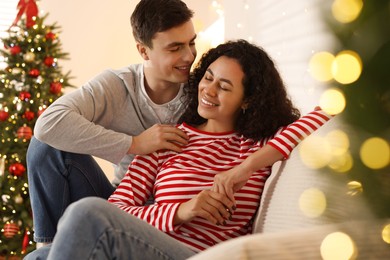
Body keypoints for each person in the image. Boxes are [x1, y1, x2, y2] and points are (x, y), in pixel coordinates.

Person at [25, 39, 333, 260]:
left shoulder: (261, 143)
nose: (209, 91)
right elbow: (118, 208)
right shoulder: (170, 140)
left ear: (249, 100)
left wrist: (245, 168)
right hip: (148, 246)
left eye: (224, 87)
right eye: (208, 78)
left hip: (200, 255)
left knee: (85, 212)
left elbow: (328, 110)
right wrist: (183, 210)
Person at [26, 0, 196, 245]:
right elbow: (48, 124)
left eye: (191, 43)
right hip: (121, 203)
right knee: (45, 146)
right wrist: (135, 143)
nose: (189, 56)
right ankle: (50, 246)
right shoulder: (118, 85)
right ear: (143, 50)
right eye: (175, 48)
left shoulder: (202, 91)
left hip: (169, 214)